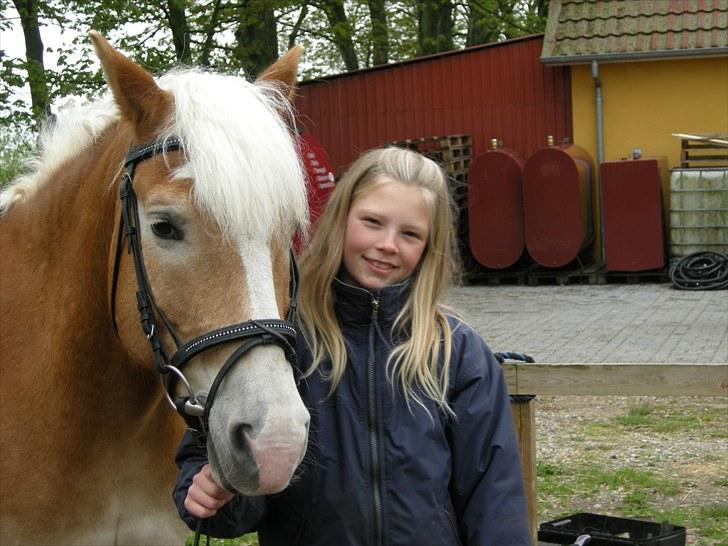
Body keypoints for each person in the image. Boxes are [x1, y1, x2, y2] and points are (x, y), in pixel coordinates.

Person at [173, 147, 531, 545]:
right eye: (372, 222)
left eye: (410, 234)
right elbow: (213, 464)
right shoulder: (282, 344)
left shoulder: (457, 353)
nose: (388, 244)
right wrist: (216, 493)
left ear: (431, 246)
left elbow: (494, 496)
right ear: (341, 219)